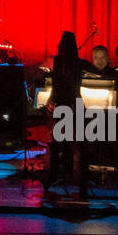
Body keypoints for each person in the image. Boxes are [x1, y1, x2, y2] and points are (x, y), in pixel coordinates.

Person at [44, 31, 89, 199]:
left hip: (57, 104)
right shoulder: (80, 63)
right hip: (75, 104)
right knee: (77, 146)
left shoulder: (53, 61)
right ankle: (80, 182)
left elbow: (45, 77)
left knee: (55, 145)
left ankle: (51, 179)